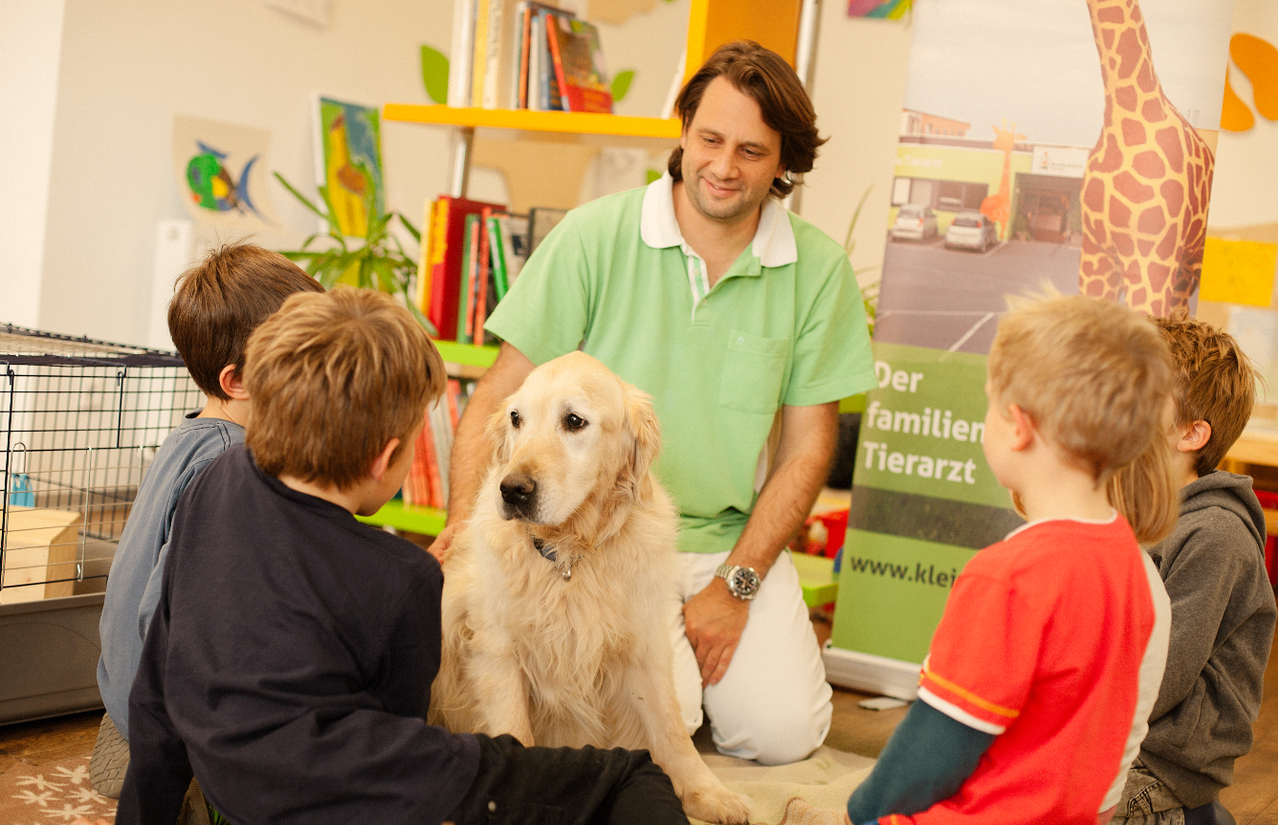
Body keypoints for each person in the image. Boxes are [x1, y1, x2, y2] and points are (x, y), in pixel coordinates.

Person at [436, 39, 877, 767]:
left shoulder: (819, 270)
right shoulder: (592, 235)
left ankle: (701, 665)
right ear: (683, 132)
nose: (723, 166)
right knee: (626, 735)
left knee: (780, 733)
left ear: (783, 164)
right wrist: (464, 529)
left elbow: (806, 452)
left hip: (723, 545)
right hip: (599, 539)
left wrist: (735, 586)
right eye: (709, 138)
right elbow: (500, 391)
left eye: (751, 151)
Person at [114, 288, 688, 825]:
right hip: (343, 781)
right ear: (385, 458)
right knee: (624, 776)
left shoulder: (212, 484)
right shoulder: (404, 579)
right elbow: (400, 754)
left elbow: (155, 684)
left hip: (227, 778)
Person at [845, 294, 1175, 824]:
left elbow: (933, 749)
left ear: (1018, 425)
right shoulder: (1130, 564)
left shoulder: (1009, 576)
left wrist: (860, 813)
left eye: (989, 401)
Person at [91, 243, 323, 798]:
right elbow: (168, 621)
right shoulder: (232, 465)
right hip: (163, 733)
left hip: (121, 702)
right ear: (237, 381)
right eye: (304, 362)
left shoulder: (188, 436)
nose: (320, 380)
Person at [1109, 312, 1277, 825]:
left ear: (1190, 434)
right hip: (1122, 737)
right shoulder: (1138, 517)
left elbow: (1158, 680)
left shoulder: (1215, 536)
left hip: (1160, 771)